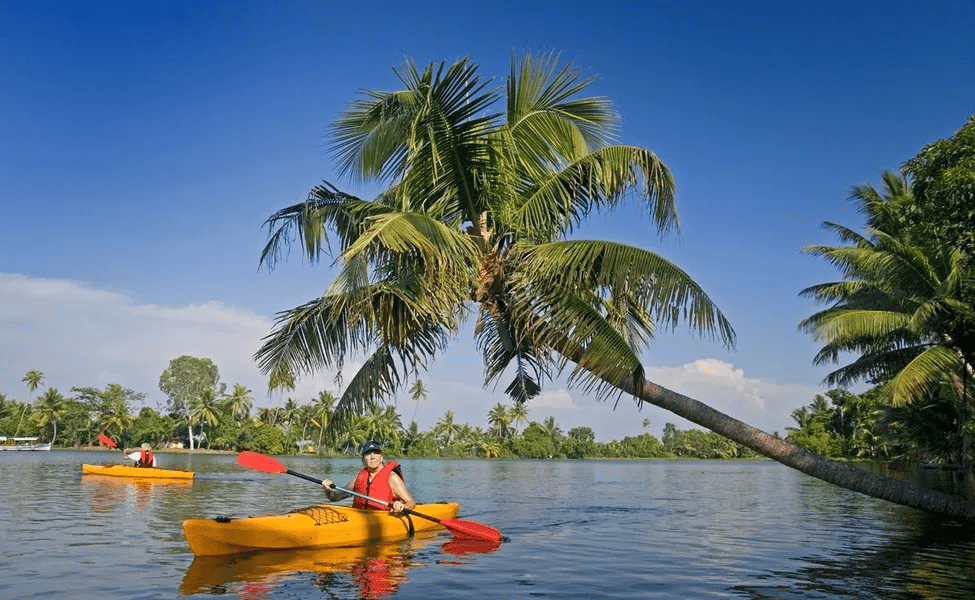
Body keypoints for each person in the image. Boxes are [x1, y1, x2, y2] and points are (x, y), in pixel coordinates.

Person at [322, 440, 416, 513]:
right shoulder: (358, 480)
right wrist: (327, 489)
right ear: (363, 459)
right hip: (361, 520)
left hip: (384, 519)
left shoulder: (392, 478)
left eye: (376, 453)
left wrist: (401, 506)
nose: (372, 457)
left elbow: (411, 502)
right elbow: (334, 497)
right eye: (368, 454)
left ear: (381, 458)